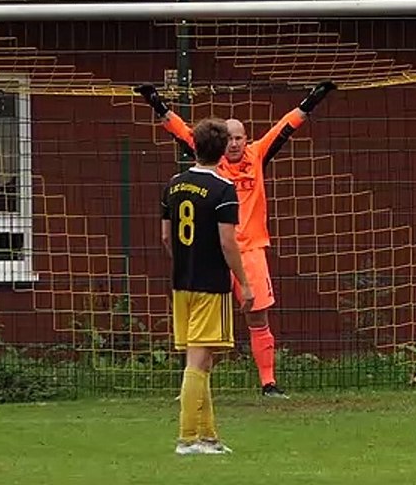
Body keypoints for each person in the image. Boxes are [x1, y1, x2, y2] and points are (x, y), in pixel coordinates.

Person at [136, 81, 336, 399]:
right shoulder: (210, 162)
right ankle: (195, 385)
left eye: (239, 137)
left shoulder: (257, 155)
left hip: (252, 250)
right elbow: (181, 131)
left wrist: (312, 100)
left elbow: (284, 127)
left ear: (246, 138)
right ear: (219, 142)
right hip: (215, 252)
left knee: (257, 315)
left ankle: (268, 383)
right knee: (206, 320)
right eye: (228, 138)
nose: (234, 143)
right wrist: (156, 103)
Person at [161, 118, 254, 455]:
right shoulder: (223, 190)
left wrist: (185, 261)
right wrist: (245, 283)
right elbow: (228, 243)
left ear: (195, 147)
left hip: (181, 284)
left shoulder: (173, 185)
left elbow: (166, 237)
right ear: (221, 152)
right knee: (197, 363)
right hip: (210, 286)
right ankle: (187, 440)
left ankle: (209, 437)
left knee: (203, 361)